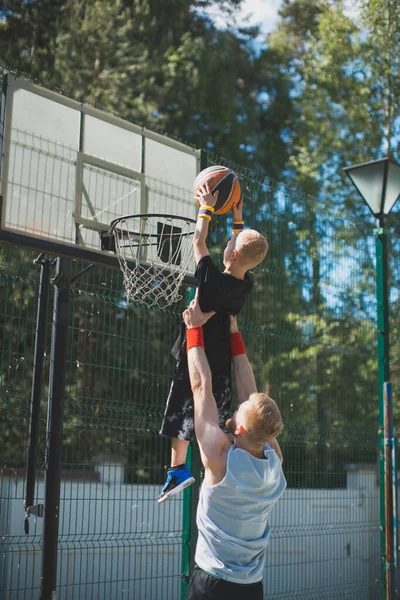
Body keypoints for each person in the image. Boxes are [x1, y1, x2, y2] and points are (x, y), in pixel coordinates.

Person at [158, 181, 269, 503]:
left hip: (195, 354)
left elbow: (198, 239)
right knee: (215, 416)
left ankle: (177, 470)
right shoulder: (244, 286)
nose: (229, 239)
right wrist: (238, 218)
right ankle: (217, 469)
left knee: (181, 411)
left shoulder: (208, 275)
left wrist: (206, 206)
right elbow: (238, 253)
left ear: (231, 252)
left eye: (232, 239)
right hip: (221, 359)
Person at [183, 298, 286, 599]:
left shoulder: (220, 457)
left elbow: (201, 386)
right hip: (251, 587)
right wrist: (233, 331)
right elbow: (249, 394)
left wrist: (193, 330)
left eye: (240, 409)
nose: (239, 403)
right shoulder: (273, 459)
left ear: (239, 428)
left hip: (212, 583)